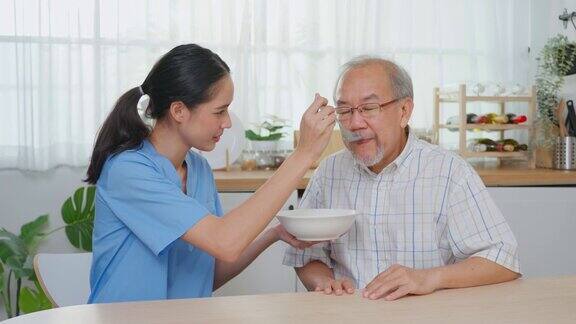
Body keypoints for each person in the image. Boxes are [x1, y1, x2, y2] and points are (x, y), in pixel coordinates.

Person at [85, 44, 335, 303]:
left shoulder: (200, 170)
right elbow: (225, 242)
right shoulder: (128, 171)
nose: (227, 122)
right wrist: (303, 154)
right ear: (179, 110)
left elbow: (207, 273)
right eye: (219, 111)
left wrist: (273, 234)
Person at [283, 56, 520, 301]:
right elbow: (306, 256)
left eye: (369, 108)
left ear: (404, 111)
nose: (354, 123)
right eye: (344, 111)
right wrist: (326, 283)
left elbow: (503, 259)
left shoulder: (449, 171)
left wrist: (429, 278)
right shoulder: (329, 171)